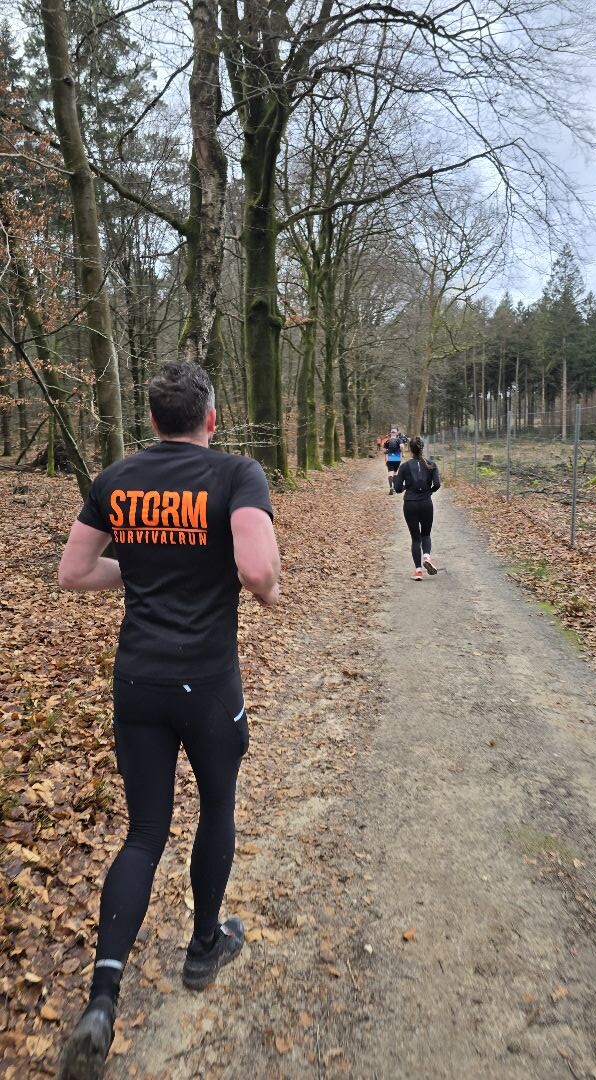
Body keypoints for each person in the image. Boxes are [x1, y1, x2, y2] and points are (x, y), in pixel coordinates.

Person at [56, 361, 280, 1080]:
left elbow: (75, 573)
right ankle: (203, 946)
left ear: (153, 420)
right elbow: (254, 570)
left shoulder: (117, 479)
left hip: (138, 682)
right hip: (209, 685)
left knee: (145, 830)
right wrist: (268, 587)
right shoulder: (237, 474)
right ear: (210, 419)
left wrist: (142, 571)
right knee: (217, 807)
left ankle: (102, 997)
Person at [394, 435, 440, 580]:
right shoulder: (431, 464)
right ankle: (426, 557)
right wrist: (429, 492)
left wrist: (401, 480)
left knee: (415, 538)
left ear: (410, 449)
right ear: (422, 448)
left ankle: (418, 571)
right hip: (426, 503)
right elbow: (437, 484)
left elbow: (398, 489)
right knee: (426, 534)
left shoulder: (404, 466)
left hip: (410, 504)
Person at [383, 427, 404, 493]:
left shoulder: (387, 441)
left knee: (390, 473)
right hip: (397, 459)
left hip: (389, 459)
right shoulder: (399, 440)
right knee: (395, 473)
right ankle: (395, 488)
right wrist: (402, 452)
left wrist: (387, 452)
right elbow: (402, 446)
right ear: (396, 433)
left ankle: (391, 488)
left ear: (391, 433)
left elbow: (384, 450)